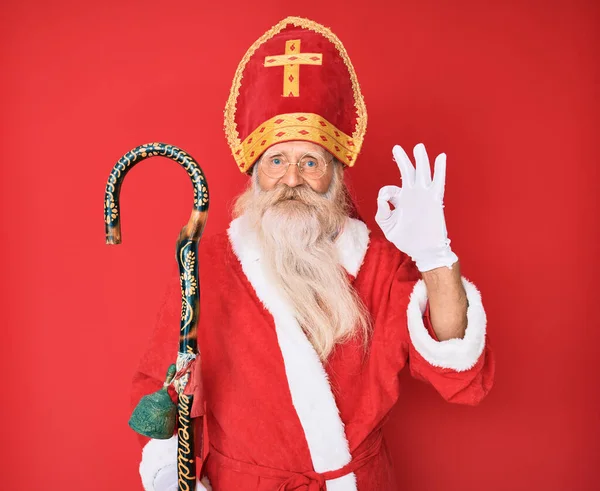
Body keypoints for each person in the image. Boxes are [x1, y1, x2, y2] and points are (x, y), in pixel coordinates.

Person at [131, 16, 495, 491]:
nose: (292, 179)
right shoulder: (208, 265)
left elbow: (456, 372)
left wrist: (434, 257)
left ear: (335, 177)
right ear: (255, 174)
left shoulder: (378, 264)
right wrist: (168, 468)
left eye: (310, 162)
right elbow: (161, 386)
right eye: (277, 161)